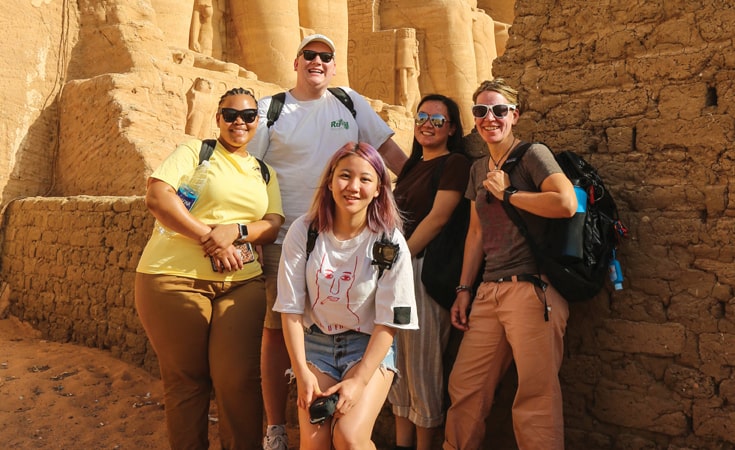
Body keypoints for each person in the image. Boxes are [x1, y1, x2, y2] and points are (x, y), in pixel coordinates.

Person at [247, 33, 408, 450]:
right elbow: (251, 170)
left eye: (326, 56)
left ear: (335, 66)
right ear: (296, 62)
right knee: (279, 324)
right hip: (291, 234)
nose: (317, 61)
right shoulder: (273, 109)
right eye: (309, 55)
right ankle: (275, 426)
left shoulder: (349, 101)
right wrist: (253, 228)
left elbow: (386, 149)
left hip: (355, 232)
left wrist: (424, 183)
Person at [135, 87, 284, 449]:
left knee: (238, 379)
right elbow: (157, 196)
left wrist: (237, 231)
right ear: (217, 118)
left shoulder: (263, 171)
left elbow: (273, 222)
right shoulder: (195, 152)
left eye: (248, 116)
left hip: (241, 282)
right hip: (173, 279)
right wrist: (209, 237)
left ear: (257, 122)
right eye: (230, 114)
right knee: (187, 381)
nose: (239, 122)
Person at [443, 79, 577, 450]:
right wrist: (464, 290)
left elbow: (565, 203)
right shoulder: (478, 169)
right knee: (466, 387)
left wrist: (511, 194)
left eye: (499, 110)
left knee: (536, 397)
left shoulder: (533, 155)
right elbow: (475, 234)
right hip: (489, 291)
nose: (490, 118)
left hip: (531, 290)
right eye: (481, 111)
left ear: (514, 115)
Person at [274, 142, 418, 450]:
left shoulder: (389, 241)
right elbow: (290, 309)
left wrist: (359, 381)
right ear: (329, 180)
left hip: (366, 347)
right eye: (345, 176)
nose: (353, 187)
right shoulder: (305, 231)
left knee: (349, 437)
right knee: (315, 444)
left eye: (365, 179)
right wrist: (301, 373)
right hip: (315, 346)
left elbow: (389, 322)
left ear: (379, 188)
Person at [387, 94, 470, 450]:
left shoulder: (454, 163)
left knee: (422, 367)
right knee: (398, 367)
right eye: (422, 116)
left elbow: (438, 218)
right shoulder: (412, 166)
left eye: (438, 119)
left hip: (421, 272)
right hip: (398, 271)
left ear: (452, 128)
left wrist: (399, 258)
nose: (428, 124)